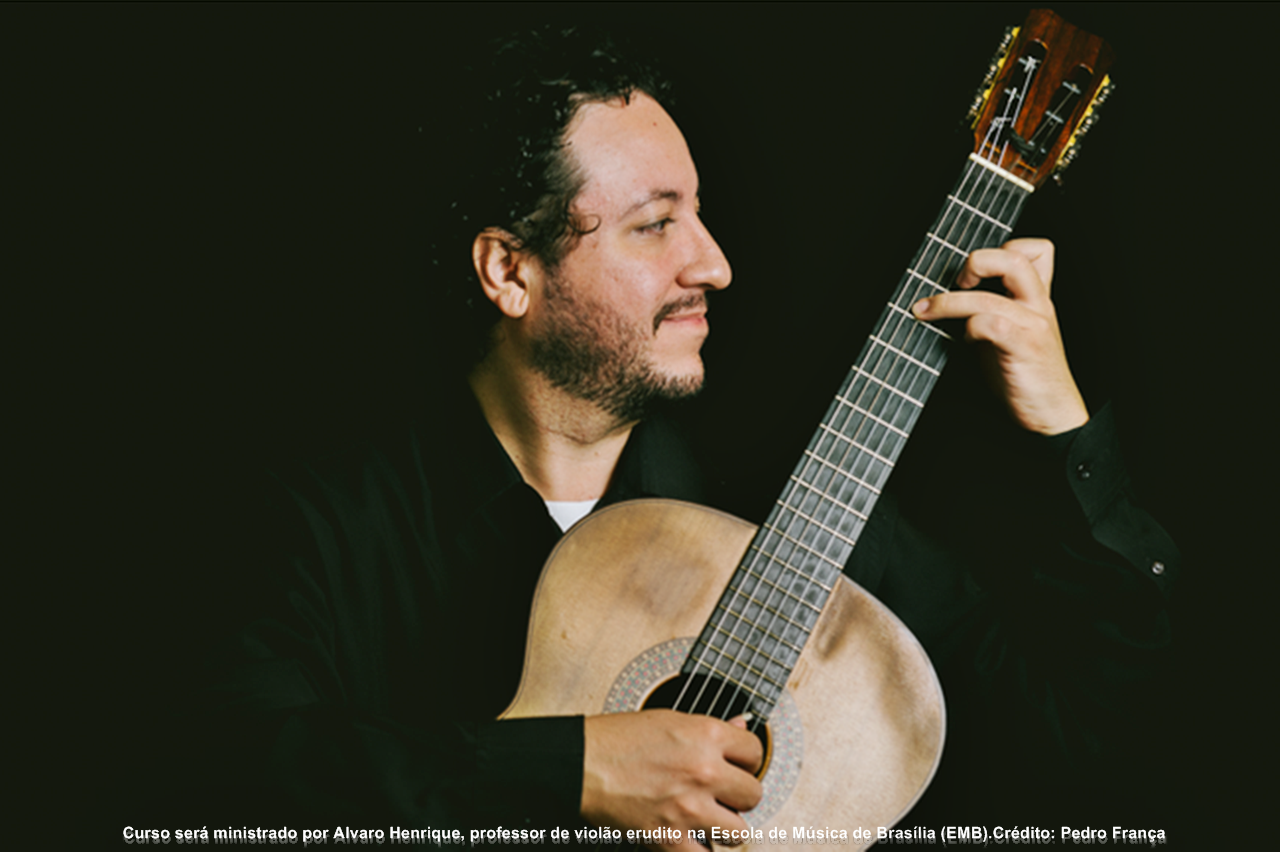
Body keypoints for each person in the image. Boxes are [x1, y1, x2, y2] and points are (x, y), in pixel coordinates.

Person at [184, 26, 1177, 846]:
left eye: (697, 213)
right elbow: (223, 775)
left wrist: (1066, 433)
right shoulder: (316, 522)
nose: (713, 263)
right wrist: (576, 767)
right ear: (508, 272)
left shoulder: (802, 509)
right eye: (655, 224)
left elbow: (1081, 745)